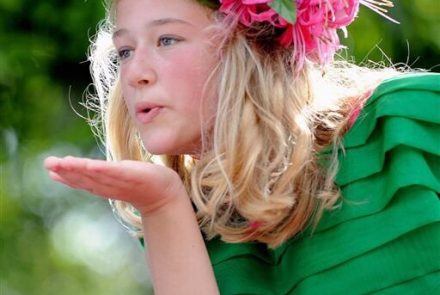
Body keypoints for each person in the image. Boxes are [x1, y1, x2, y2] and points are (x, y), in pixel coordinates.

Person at [44, 0, 440, 294]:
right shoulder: (186, 223)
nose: (133, 73)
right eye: (125, 50)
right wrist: (161, 205)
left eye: (167, 39)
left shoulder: (405, 122)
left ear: (252, 45)